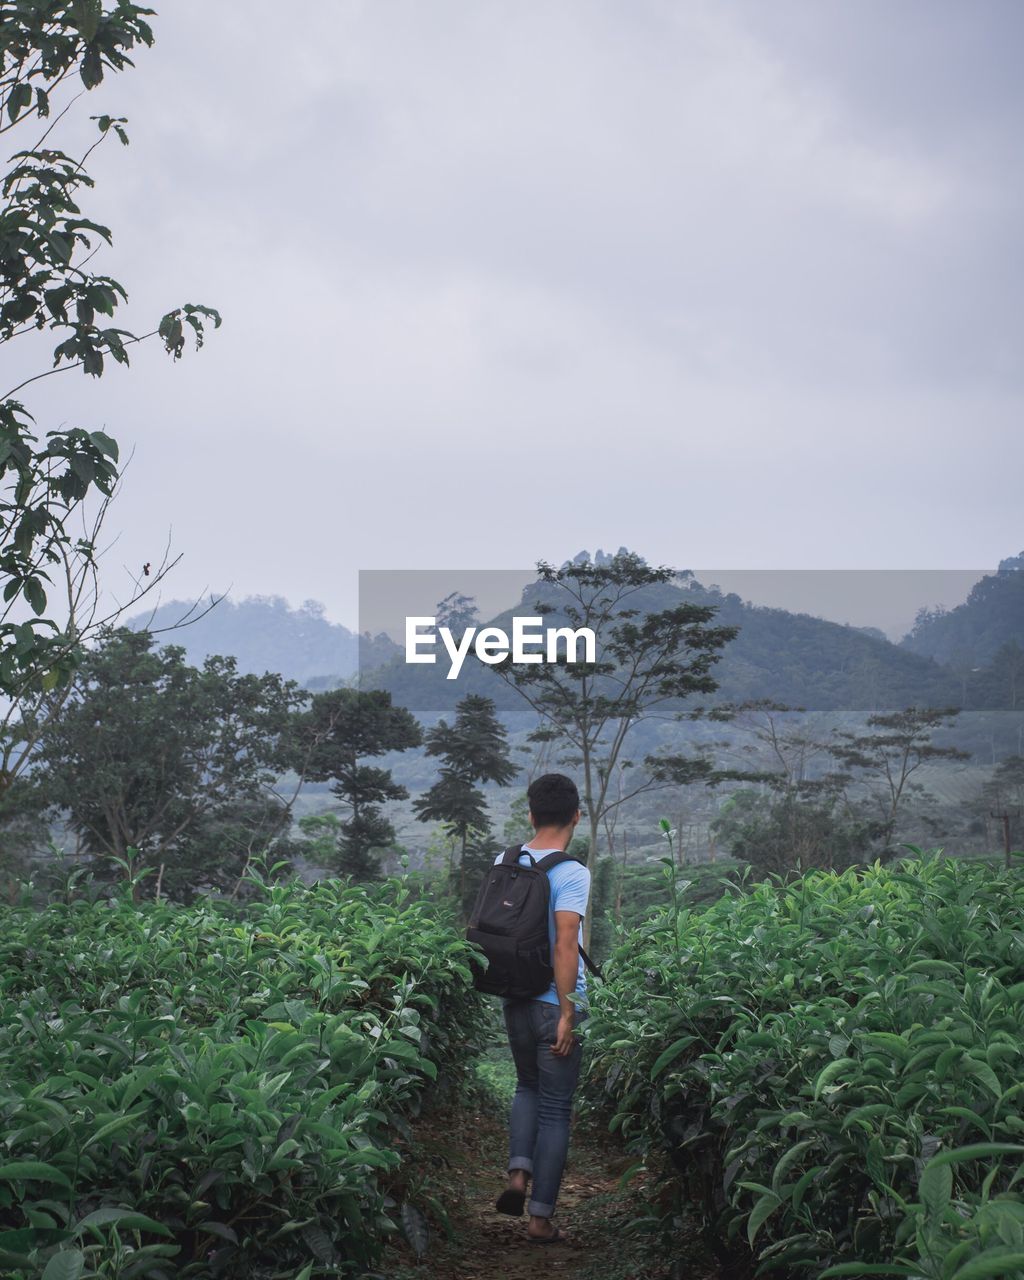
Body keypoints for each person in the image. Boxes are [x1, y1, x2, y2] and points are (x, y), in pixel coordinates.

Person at [494, 772, 591, 1245]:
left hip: (514, 998)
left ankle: (517, 1171)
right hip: (555, 1004)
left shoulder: (506, 860)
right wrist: (569, 1011)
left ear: (530, 815)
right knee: (556, 1109)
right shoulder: (572, 872)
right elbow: (567, 942)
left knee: (526, 1087)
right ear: (576, 815)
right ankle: (540, 1218)